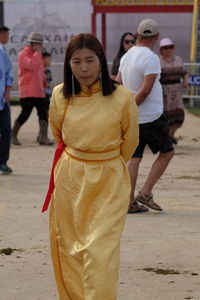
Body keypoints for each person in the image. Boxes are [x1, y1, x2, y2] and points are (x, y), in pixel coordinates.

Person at [42, 33, 139, 299]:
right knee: (70, 248)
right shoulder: (61, 95)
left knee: (100, 251)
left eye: (90, 60)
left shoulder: (123, 97)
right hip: (71, 178)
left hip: (109, 179)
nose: (83, 68)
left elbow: (129, 142)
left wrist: (104, 160)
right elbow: (58, 133)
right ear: (68, 64)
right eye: (76, 62)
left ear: (101, 61)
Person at [116, 19, 174, 213]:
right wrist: (132, 106)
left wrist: (125, 110)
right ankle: (145, 192)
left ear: (137, 34)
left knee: (135, 157)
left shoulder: (127, 56)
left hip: (134, 119)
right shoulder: (150, 58)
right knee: (167, 153)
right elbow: (145, 91)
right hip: (151, 116)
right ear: (156, 37)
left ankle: (129, 201)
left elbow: (118, 84)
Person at [12, 32, 52, 146]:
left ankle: (43, 138)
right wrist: (37, 54)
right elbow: (32, 66)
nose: (41, 47)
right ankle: (13, 136)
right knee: (25, 114)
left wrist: (44, 82)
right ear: (33, 43)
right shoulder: (23, 54)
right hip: (28, 92)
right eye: (39, 44)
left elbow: (40, 71)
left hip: (39, 91)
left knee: (43, 114)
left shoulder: (37, 54)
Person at [159, 37, 188, 144]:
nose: (168, 50)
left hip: (177, 92)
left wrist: (185, 82)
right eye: (165, 48)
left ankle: (172, 134)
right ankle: (167, 136)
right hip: (164, 93)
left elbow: (184, 73)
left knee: (179, 115)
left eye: (170, 47)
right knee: (166, 116)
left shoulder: (179, 59)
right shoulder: (158, 62)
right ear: (161, 50)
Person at [0, 26, 14, 174]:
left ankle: (3, 161)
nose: (7, 36)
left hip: (2, 101)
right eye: (5, 34)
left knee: (6, 130)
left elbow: (9, 74)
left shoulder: (2, 54)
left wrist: (7, 93)